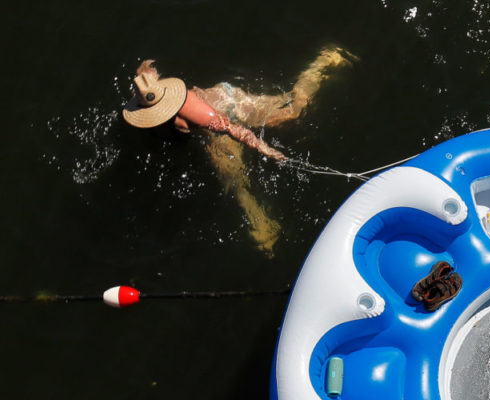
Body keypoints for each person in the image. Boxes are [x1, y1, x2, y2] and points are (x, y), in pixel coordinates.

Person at [122, 49, 355, 254]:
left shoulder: (201, 115)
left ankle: (324, 62)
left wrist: (264, 148)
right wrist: (146, 68)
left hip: (227, 110)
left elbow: (231, 129)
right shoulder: (148, 91)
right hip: (211, 112)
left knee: (289, 113)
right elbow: (147, 74)